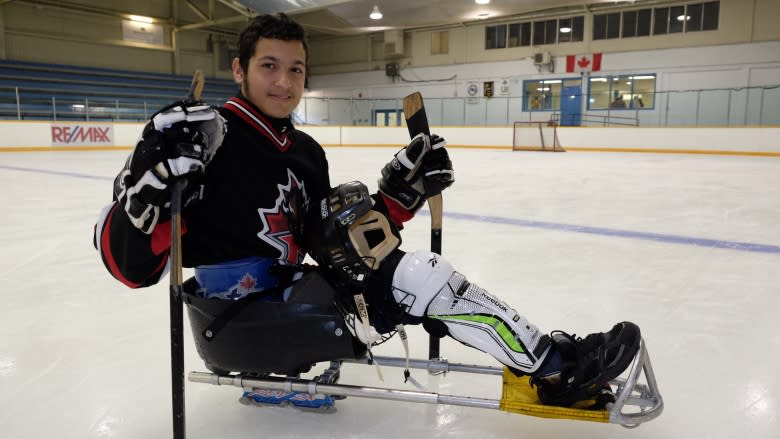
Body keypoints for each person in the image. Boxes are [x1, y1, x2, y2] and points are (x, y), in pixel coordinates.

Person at [93, 13, 640, 409]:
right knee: (425, 279)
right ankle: (557, 370)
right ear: (239, 69)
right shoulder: (200, 139)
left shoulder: (305, 152)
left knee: (416, 278)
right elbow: (126, 265)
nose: (284, 82)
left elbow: (329, 244)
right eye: (268, 66)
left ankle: (545, 357)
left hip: (288, 303)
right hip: (236, 322)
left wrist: (399, 196)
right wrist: (148, 187)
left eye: (296, 70)